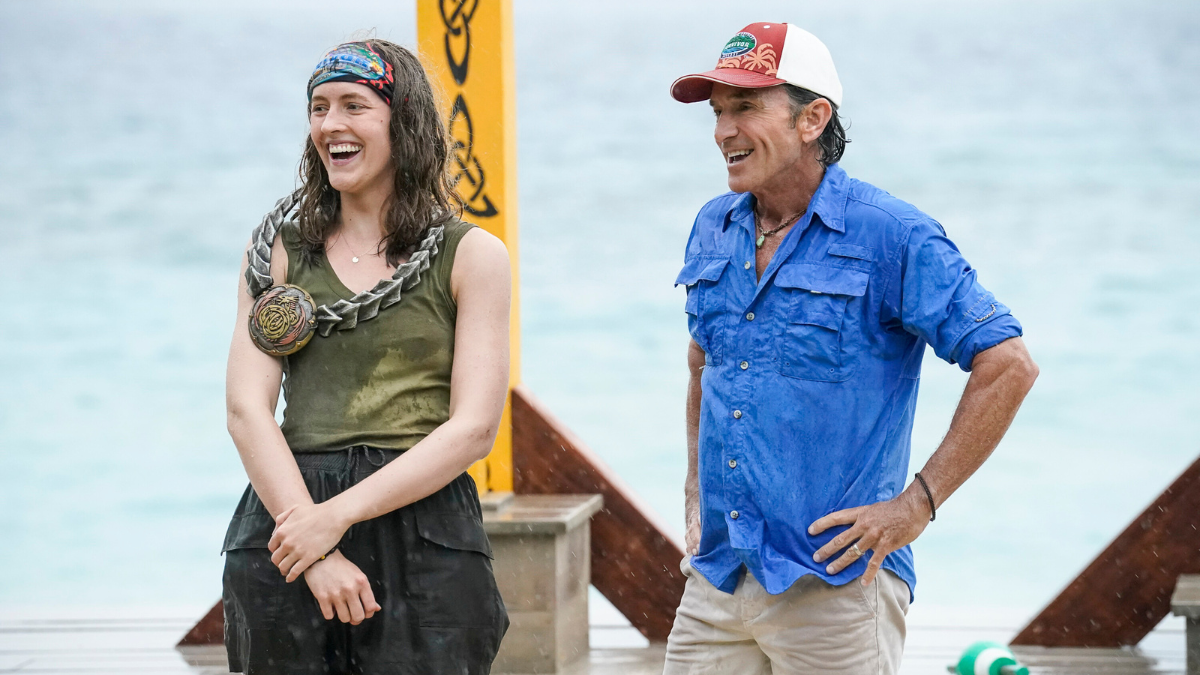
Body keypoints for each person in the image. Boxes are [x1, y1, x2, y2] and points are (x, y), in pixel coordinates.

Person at [665, 23, 1039, 674]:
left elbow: (1008, 364)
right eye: (718, 112)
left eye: (746, 107)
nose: (724, 130)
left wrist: (917, 503)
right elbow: (706, 364)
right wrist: (696, 492)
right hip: (718, 578)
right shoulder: (711, 226)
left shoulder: (891, 234)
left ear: (813, 118)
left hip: (837, 588)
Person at [221, 40, 511, 674]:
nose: (331, 125)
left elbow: (473, 428)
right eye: (319, 108)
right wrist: (314, 544)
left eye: (354, 105)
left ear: (402, 123)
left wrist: (337, 519)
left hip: (425, 526)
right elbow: (247, 409)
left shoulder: (471, 256)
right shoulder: (276, 252)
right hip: (287, 520)